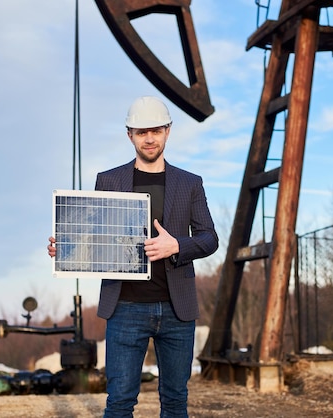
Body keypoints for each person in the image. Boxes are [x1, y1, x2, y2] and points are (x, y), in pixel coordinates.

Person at [48, 95, 218, 417]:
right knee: (120, 401)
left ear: (168, 131)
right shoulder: (109, 181)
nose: (149, 138)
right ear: (130, 135)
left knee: (175, 400)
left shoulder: (190, 183)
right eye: (142, 132)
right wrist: (66, 249)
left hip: (176, 308)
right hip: (125, 307)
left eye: (155, 130)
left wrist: (177, 246)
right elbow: (94, 239)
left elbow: (209, 238)